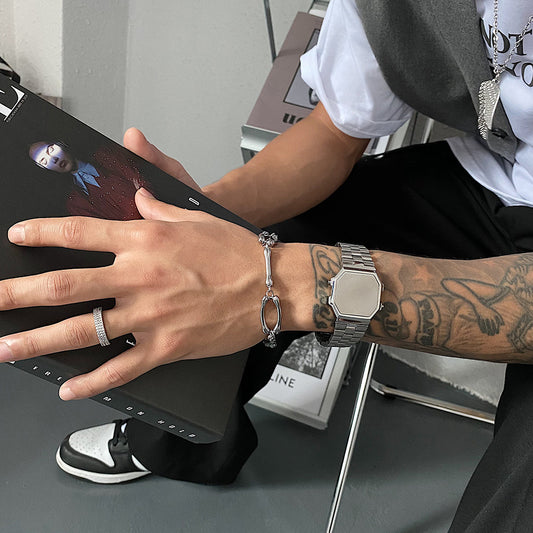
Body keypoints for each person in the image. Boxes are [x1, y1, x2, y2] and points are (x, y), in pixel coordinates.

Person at [1, 0, 532, 528]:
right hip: (496, 177)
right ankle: (182, 446)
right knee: (220, 261)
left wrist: (289, 282)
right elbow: (334, 133)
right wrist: (202, 220)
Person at [28, 141, 150, 220]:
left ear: (60, 144)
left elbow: (142, 177)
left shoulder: (106, 155)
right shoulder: (75, 204)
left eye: (50, 150)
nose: (53, 159)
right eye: (44, 161)